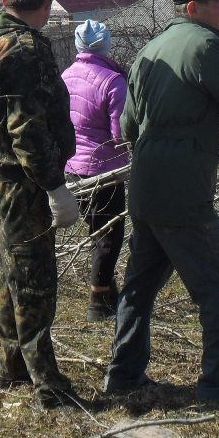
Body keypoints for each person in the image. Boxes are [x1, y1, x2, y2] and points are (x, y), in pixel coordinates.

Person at [103, 0, 219, 406]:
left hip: (145, 185)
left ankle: (123, 375)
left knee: (140, 286)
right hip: (181, 192)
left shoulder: (149, 50)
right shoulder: (204, 45)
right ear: (195, 9)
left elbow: (127, 126)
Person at [0, 0, 84, 411]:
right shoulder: (20, 50)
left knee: (14, 272)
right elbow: (26, 129)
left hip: (8, 175)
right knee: (35, 279)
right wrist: (55, 187)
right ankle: (47, 384)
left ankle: (10, 366)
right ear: (45, 1)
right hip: (24, 179)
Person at [61, 19, 129, 322]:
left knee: (94, 230)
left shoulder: (65, 76)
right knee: (109, 235)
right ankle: (99, 300)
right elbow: (120, 134)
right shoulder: (113, 81)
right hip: (105, 170)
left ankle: (105, 288)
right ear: (106, 45)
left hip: (72, 167)